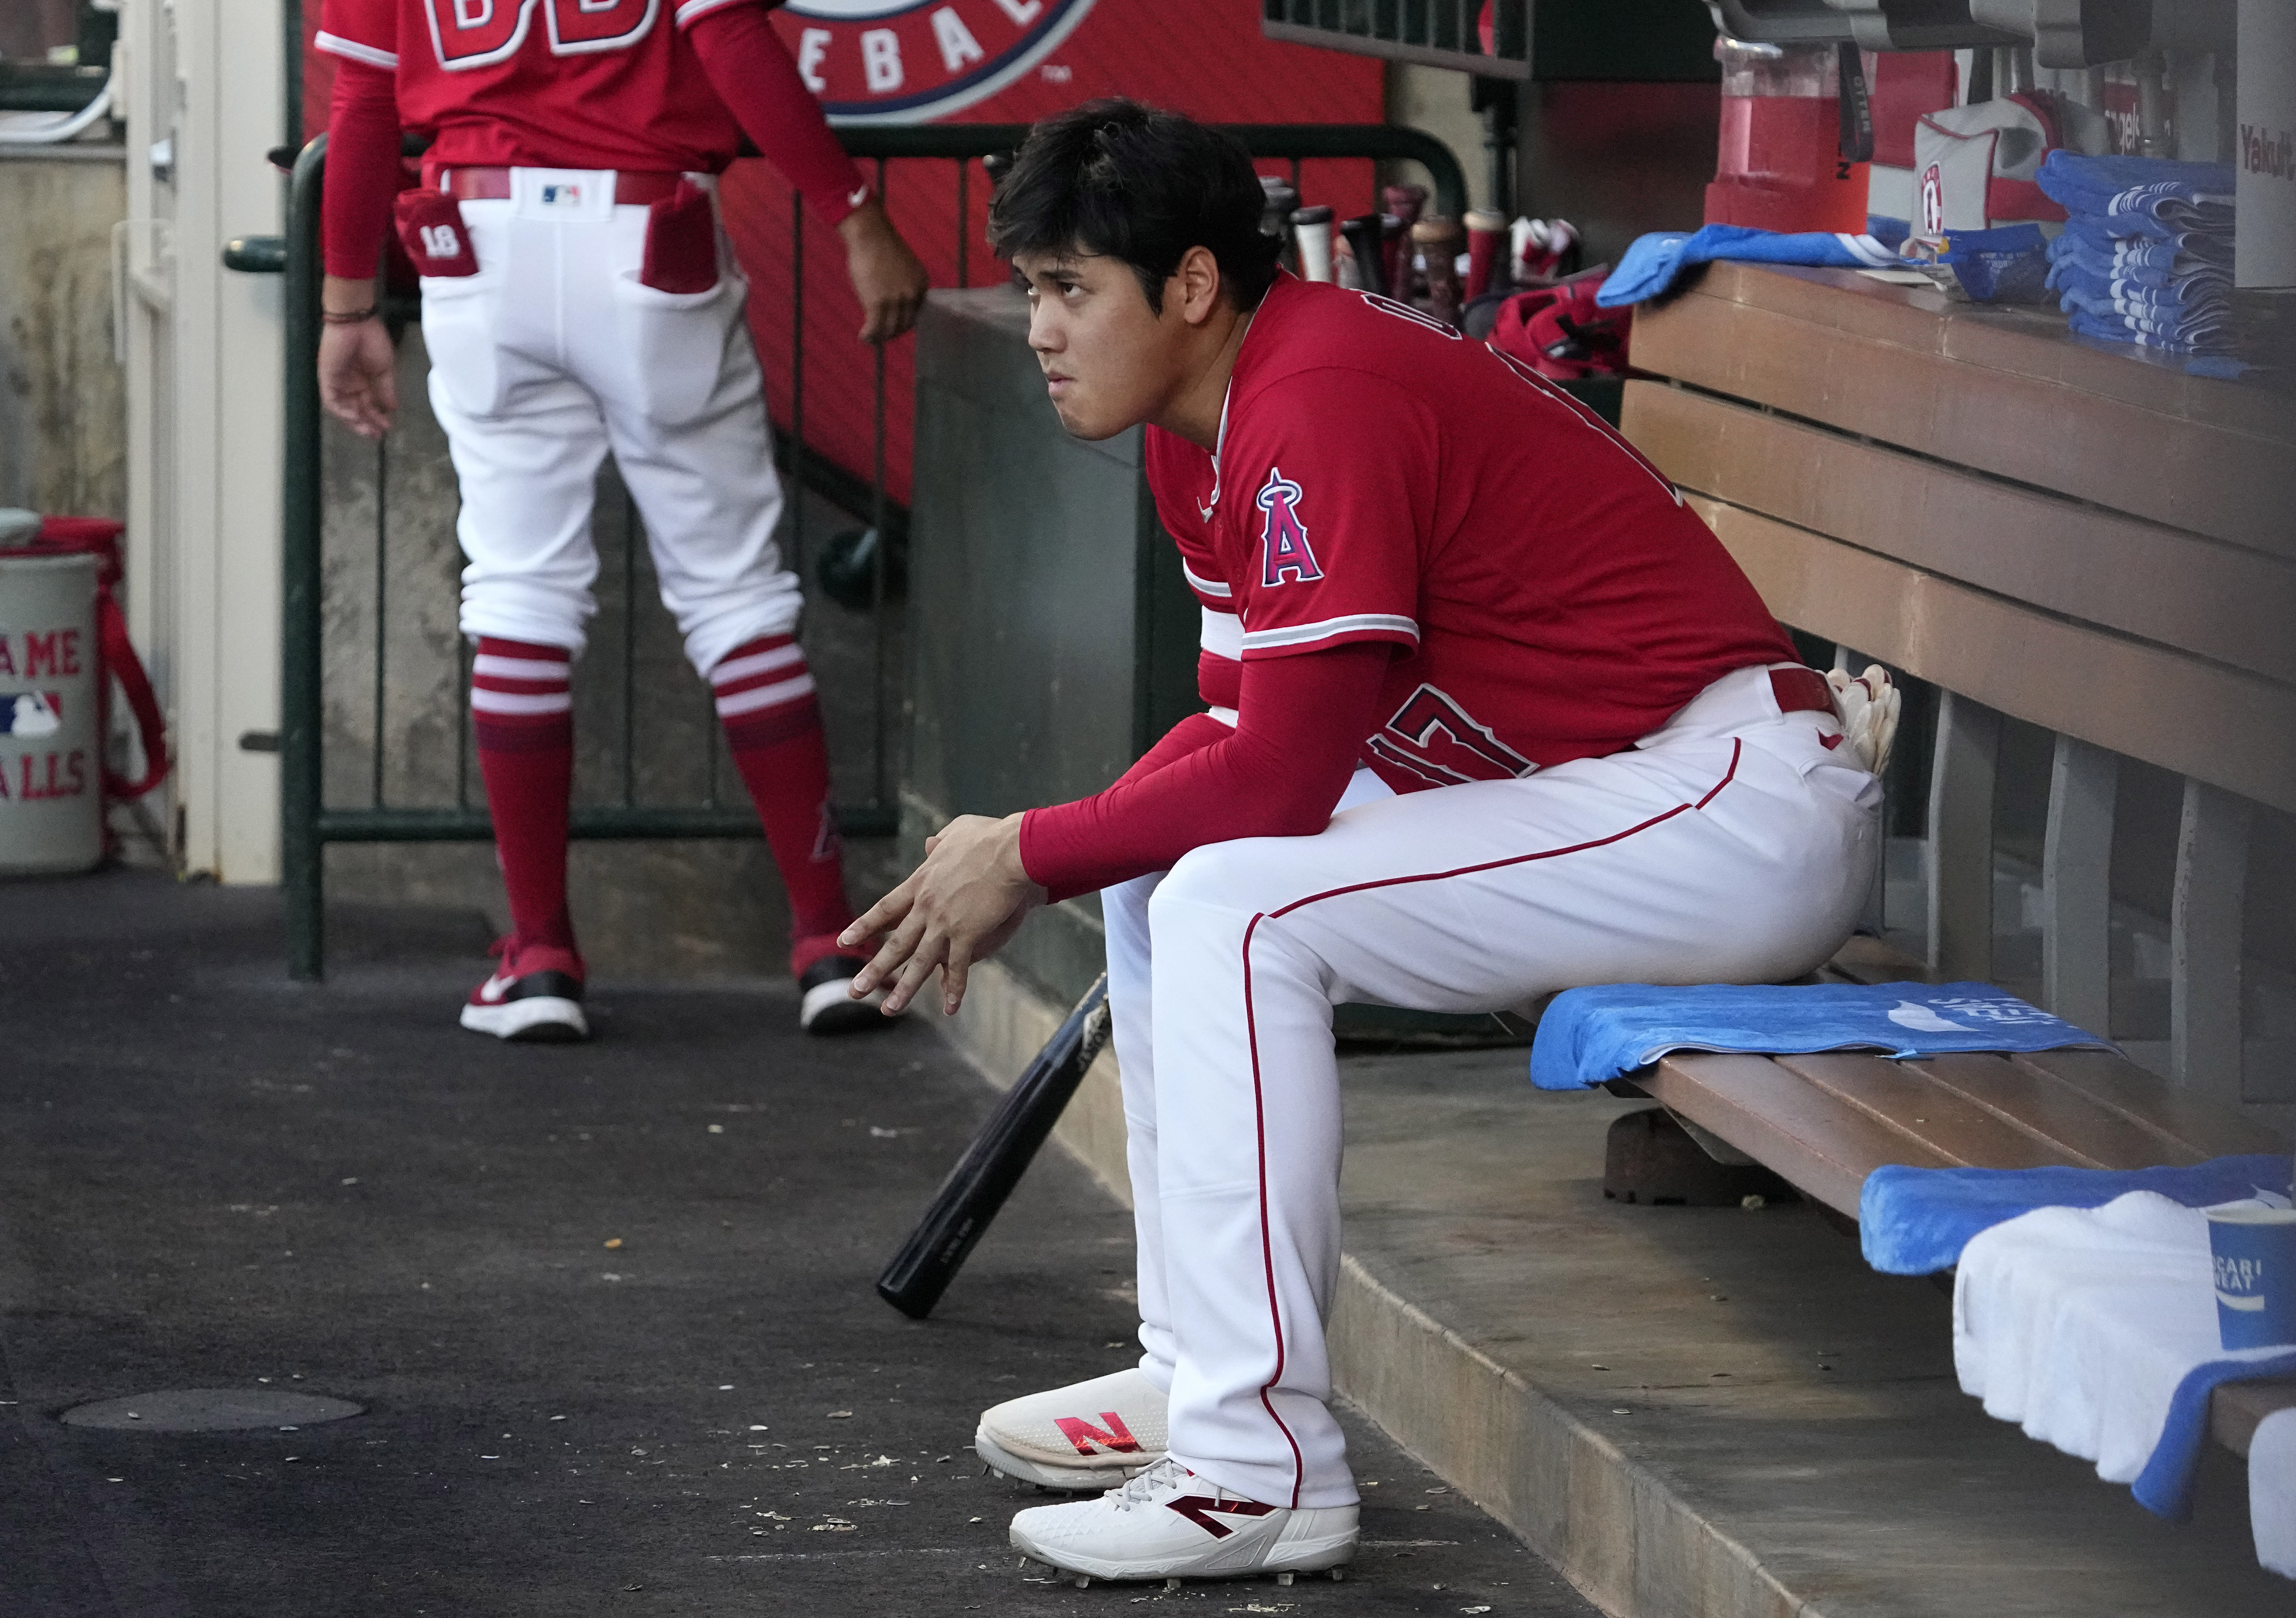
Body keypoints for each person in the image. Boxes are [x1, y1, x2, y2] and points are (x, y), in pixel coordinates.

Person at [838, 99, 1891, 1586]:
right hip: (1604, 788)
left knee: (1239, 908)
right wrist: (1062, 846)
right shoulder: (1200, 429)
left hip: (1731, 799)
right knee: (1164, 877)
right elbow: (1231, 732)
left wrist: (1025, 848)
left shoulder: (1315, 388)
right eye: (1031, 291)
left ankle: (1259, 1464)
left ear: (1191, 286)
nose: (1040, 329)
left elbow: (1279, 776)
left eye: (1071, 289)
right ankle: (1200, 1369)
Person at [313, 0, 928, 1041]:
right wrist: (854, 213)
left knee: (517, 593)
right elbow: (730, 37)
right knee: (735, 596)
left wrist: (345, 305)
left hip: (482, 240)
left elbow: (365, 96)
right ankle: (830, 943)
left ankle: (541, 956)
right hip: (647, 228)